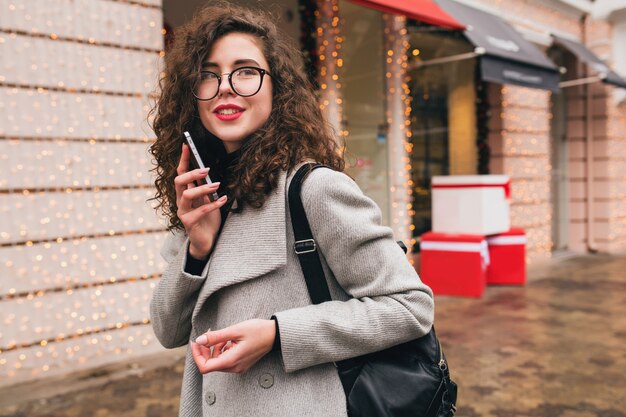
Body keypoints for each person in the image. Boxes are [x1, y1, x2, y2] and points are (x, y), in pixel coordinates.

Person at [148, 2, 435, 416]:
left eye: (245, 70)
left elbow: (411, 306)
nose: (225, 86)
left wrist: (279, 335)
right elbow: (168, 331)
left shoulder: (313, 189)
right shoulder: (201, 197)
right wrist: (197, 249)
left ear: (277, 86)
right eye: (208, 74)